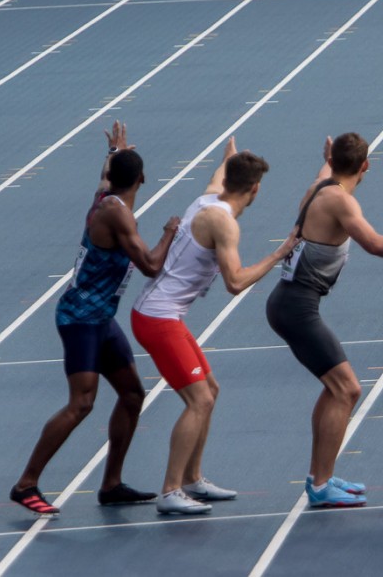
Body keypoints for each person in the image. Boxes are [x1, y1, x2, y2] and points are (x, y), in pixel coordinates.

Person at [266, 134, 383, 509]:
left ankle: (320, 476)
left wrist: (329, 157)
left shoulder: (319, 187)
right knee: (348, 389)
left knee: (335, 389)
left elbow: (325, 170)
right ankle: (321, 484)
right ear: (366, 165)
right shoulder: (341, 201)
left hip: (290, 302)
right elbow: (375, 244)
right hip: (295, 308)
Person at [10, 123, 179, 517]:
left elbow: (104, 177)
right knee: (81, 404)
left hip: (100, 318)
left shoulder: (106, 198)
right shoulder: (118, 215)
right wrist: (171, 232)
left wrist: (114, 153)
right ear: (142, 179)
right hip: (81, 319)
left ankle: (111, 485)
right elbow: (151, 265)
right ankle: (26, 483)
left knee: (133, 395)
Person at [131, 138, 296, 515]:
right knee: (200, 400)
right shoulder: (224, 223)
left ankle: (192, 479)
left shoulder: (207, 197)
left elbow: (222, 168)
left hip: (160, 313)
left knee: (211, 390)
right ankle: (170, 490)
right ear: (255, 189)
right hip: (158, 318)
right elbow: (235, 282)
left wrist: (231, 154)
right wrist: (278, 253)